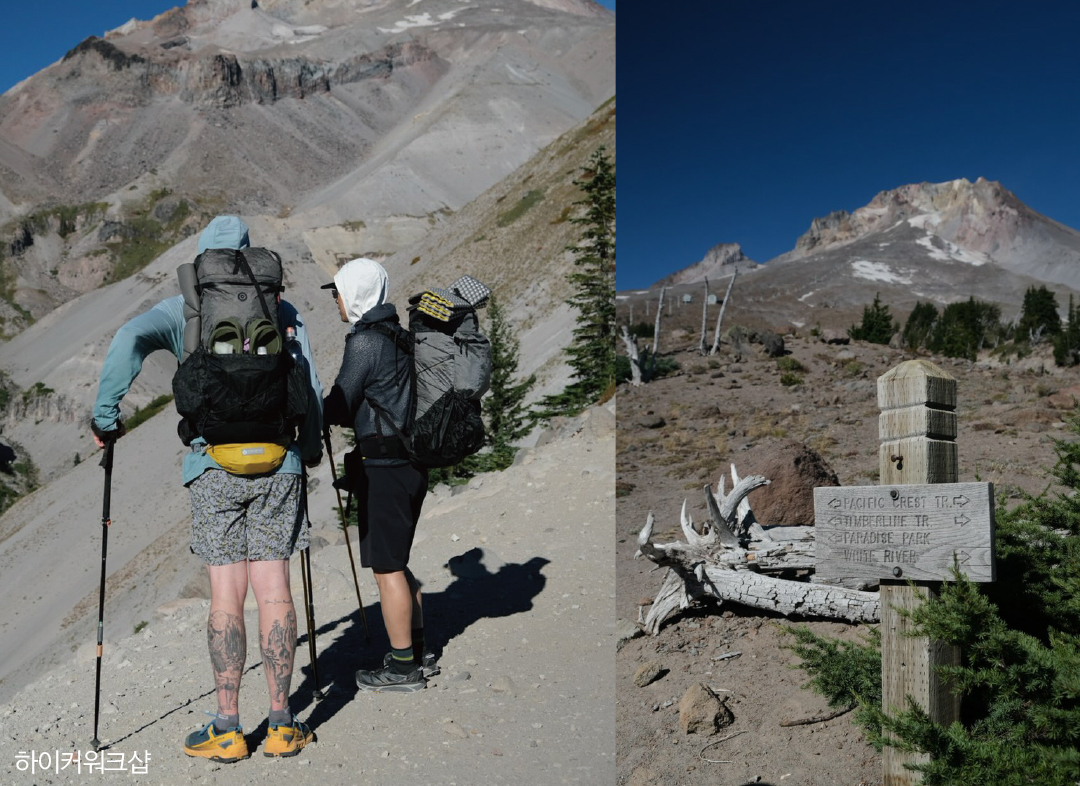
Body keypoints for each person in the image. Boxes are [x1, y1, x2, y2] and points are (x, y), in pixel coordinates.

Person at [90, 216, 323, 761]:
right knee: (275, 590)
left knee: (226, 595)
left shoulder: (186, 309)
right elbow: (306, 382)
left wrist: (106, 416)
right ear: (250, 260)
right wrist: (307, 446)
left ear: (204, 262)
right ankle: (284, 724)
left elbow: (128, 338)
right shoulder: (280, 309)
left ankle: (226, 727)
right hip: (277, 463)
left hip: (212, 466)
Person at [322, 257, 433, 692]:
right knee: (399, 564)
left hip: (384, 467)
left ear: (354, 294)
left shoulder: (365, 342)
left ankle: (404, 669)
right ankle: (416, 652)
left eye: (338, 292)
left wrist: (312, 403)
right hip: (409, 463)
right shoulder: (400, 336)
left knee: (387, 569)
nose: (335, 300)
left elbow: (341, 403)